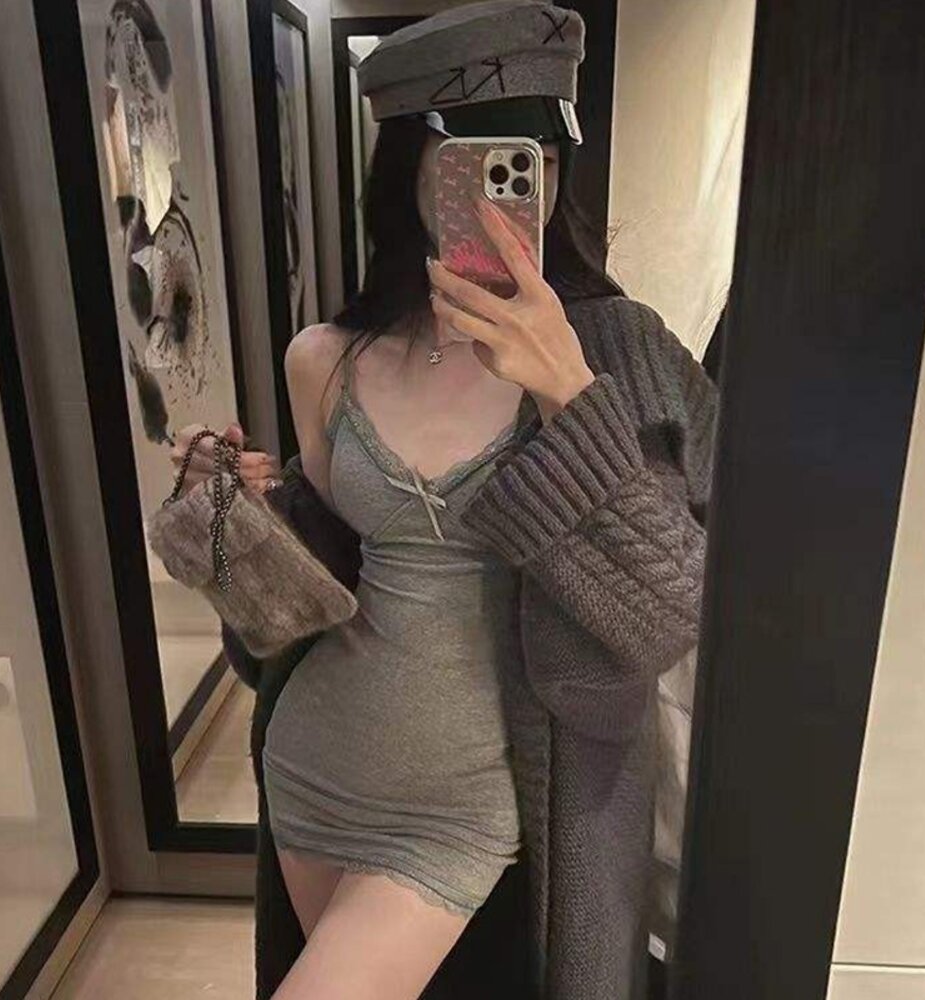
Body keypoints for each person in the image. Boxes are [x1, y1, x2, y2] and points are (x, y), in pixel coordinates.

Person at [171, 3, 718, 998]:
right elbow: (301, 609)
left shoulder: (623, 352)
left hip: (472, 806)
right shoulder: (326, 358)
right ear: (408, 173)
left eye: (535, 157)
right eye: (475, 160)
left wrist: (568, 395)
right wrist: (240, 517)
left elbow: (667, 612)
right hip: (315, 763)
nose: (513, 188)